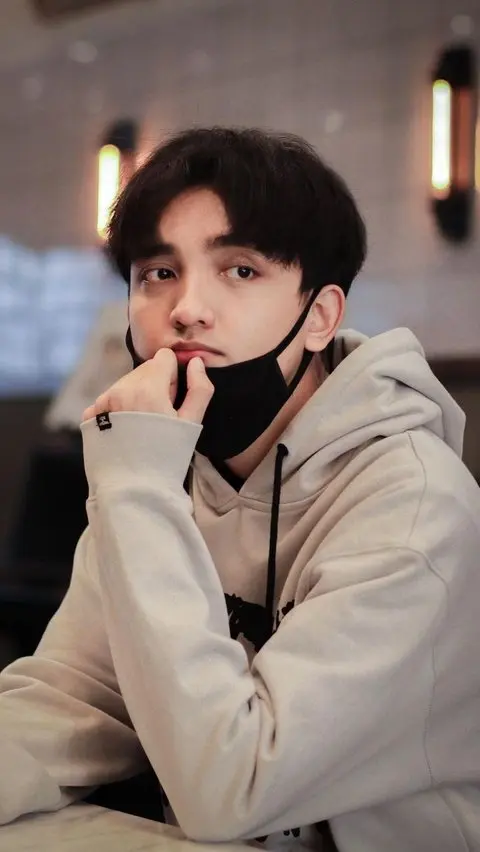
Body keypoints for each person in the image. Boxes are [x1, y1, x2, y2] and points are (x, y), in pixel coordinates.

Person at [0, 127, 479, 852]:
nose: (186, 308)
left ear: (320, 317)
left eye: (241, 270)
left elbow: (235, 786)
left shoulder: (413, 506)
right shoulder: (159, 468)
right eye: (158, 272)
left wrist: (136, 486)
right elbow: (75, 700)